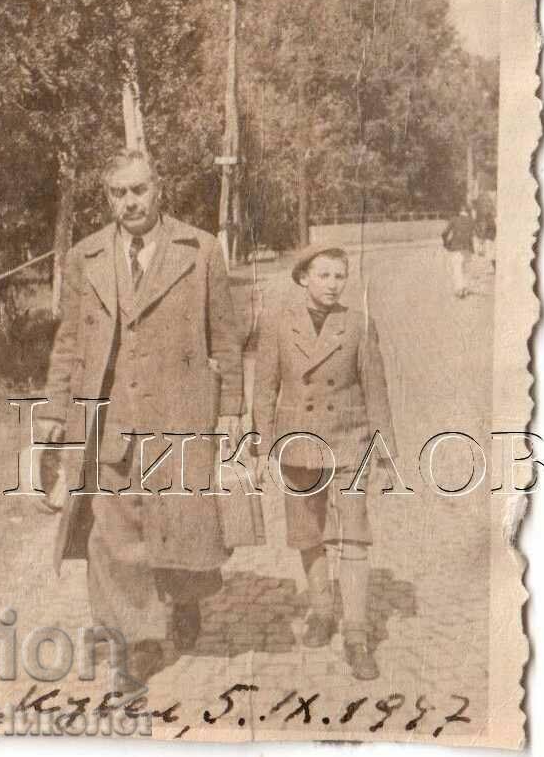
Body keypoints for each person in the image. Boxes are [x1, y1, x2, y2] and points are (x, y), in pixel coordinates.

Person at [39, 148, 245, 686]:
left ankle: (184, 596)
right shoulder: (87, 257)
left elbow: (224, 337)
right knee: (111, 537)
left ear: (158, 190)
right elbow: (68, 345)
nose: (129, 202)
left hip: (180, 416)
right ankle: (134, 642)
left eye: (138, 190)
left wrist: (230, 415)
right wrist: (54, 414)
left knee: (179, 525)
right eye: (118, 193)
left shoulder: (199, 250)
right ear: (107, 197)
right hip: (108, 420)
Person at [252, 245, 396, 681]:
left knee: (354, 536)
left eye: (340, 276)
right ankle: (321, 610)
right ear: (303, 278)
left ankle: (357, 634)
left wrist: (384, 453)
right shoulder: (277, 323)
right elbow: (263, 389)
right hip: (297, 443)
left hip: (349, 441)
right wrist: (260, 448)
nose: (334, 284)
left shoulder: (358, 324)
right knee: (307, 533)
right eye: (325, 275)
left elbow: (376, 390)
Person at [442, 205, 475, 297]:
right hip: (468, 247)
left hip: (456, 247)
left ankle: (459, 289)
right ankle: (466, 288)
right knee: (466, 269)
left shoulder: (454, 219)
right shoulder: (471, 221)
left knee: (457, 268)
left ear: (459, 211)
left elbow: (444, 233)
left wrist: (446, 242)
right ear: (467, 212)